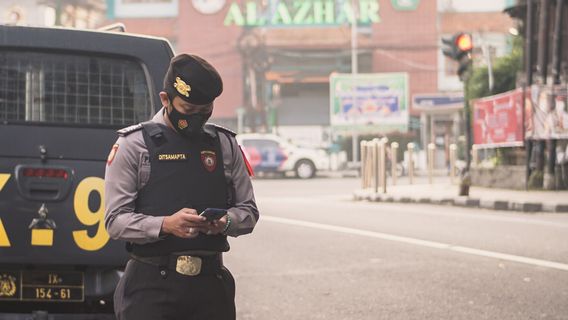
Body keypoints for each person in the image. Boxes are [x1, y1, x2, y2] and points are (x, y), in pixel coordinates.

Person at [104, 53, 259, 320]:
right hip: (150, 286)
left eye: (205, 111)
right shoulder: (134, 145)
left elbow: (248, 211)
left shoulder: (224, 144)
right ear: (166, 99)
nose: (198, 118)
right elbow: (115, 221)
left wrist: (225, 222)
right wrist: (165, 224)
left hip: (210, 286)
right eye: (188, 110)